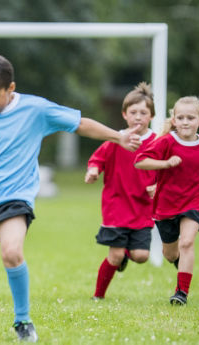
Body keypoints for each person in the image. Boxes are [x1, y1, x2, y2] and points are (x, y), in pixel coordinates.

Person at [0, 54, 141, 341]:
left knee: (12, 252)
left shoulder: (35, 109)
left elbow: (80, 123)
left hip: (15, 196)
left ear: (10, 88)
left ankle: (22, 321)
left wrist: (118, 137)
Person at [135, 96, 199, 306]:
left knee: (187, 242)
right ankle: (181, 265)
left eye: (191, 117)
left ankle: (181, 293)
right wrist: (166, 163)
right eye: (181, 117)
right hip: (166, 206)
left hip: (193, 202)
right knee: (170, 255)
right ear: (174, 120)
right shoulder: (166, 142)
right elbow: (140, 162)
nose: (186, 122)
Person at [84, 83, 158, 300]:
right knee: (114, 257)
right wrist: (93, 171)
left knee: (142, 256)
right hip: (116, 206)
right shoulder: (117, 139)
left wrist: (158, 185)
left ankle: (127, 252)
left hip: (143, 209)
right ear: (124, 115)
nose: (138, 117)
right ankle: (98, 296)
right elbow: (97, 159)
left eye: (143, 113)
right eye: (133, 112)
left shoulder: (157, 143)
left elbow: (166, 169)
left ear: (151, 116)